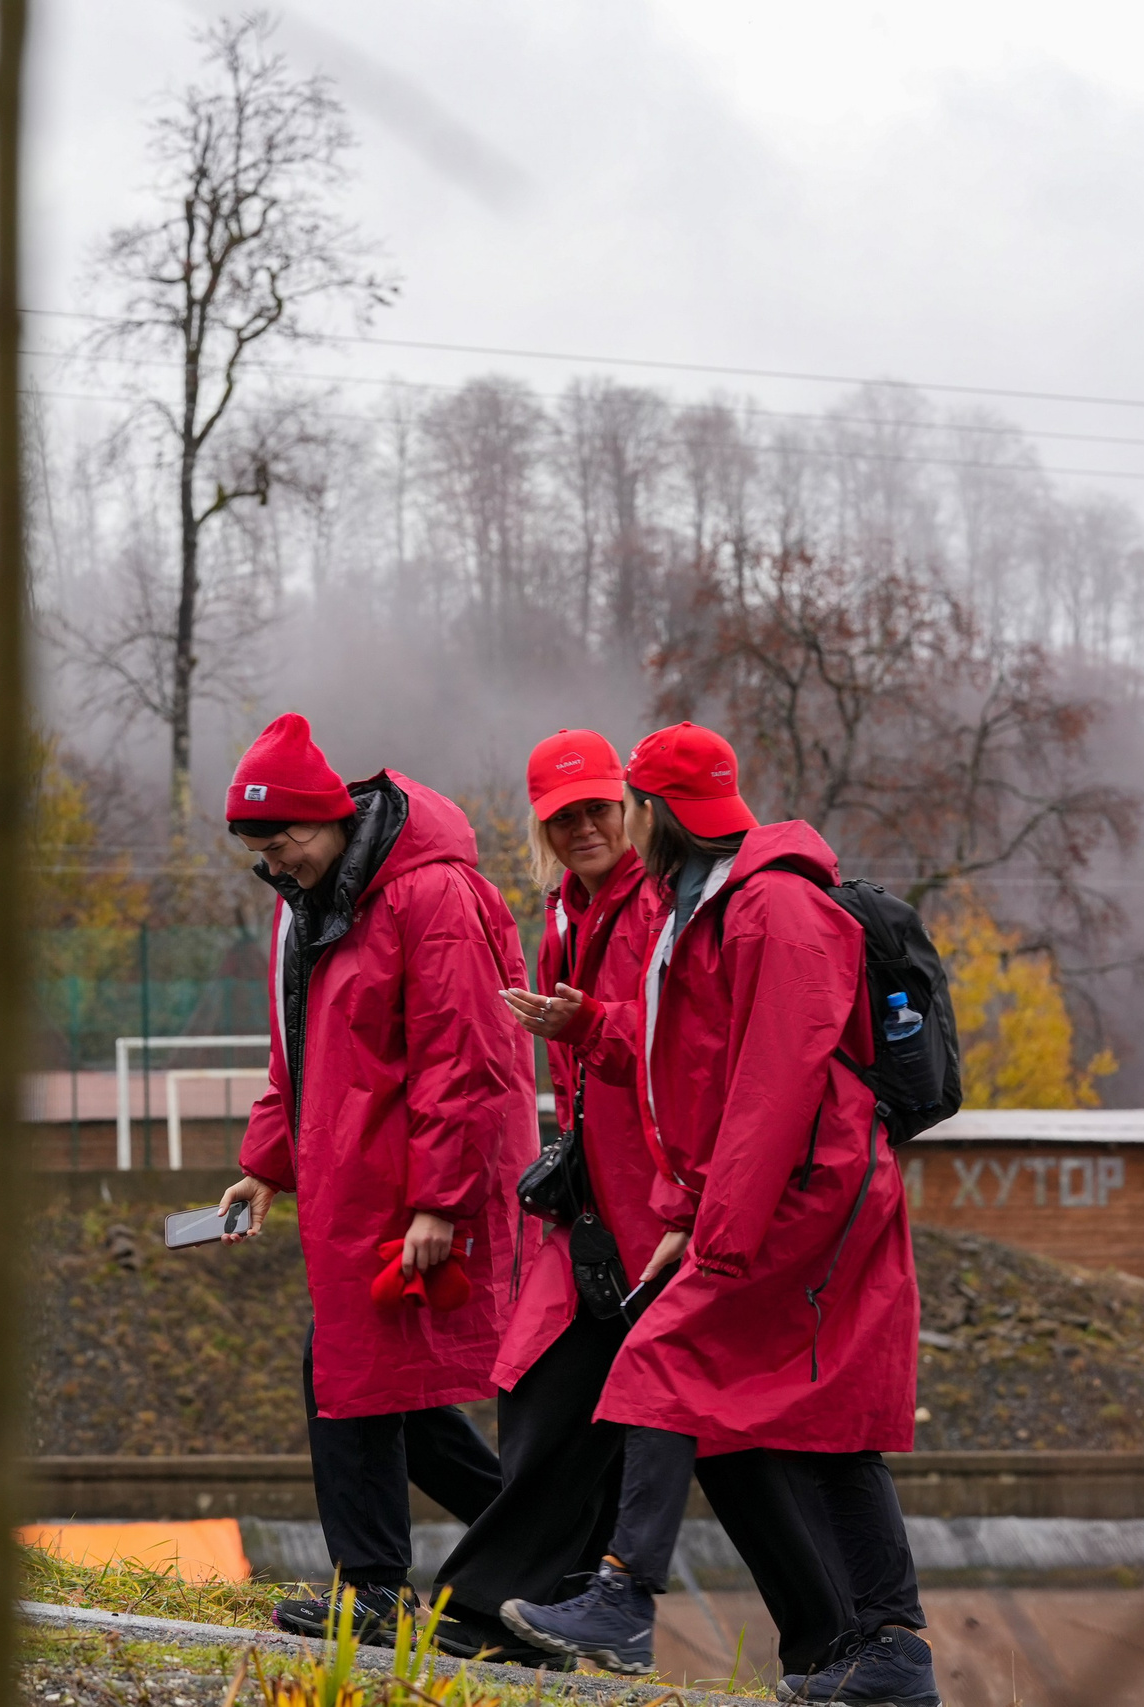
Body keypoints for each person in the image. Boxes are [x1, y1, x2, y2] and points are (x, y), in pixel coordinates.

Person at [500, 722, 938, 1707]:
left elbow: (770, 1086)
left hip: (802, 1196)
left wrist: (714, 1231)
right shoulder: (716, 905)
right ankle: (892, 1658)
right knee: (825, 1427)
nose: (612, 829)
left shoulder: (770, 909)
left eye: (623, 809)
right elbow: (699, 1076)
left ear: (652, 814)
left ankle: (622, 1600)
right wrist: (688, 1202)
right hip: (778, 1192)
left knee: (659, 1354)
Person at [433, 730, 848, 1676]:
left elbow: (694, 1052)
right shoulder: (565, 913)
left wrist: (681, 1203)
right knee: (561, 1397)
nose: (583, 826)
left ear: (631, 810)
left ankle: (838, 1638)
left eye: (597, 808)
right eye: (562, 814)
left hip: (662, 1210)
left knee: (712, 1434)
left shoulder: (665, 905)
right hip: (599, 1212)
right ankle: (506, 1609)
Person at [213, 711, 537, 1644]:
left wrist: (440, 1197)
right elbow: (298, 1050)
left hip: (409, 1183)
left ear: (331, 819)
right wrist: (263, 1165)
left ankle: (380, 1586)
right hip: (351, 1179)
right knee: (379, 1380)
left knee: (346, 1372)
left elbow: (463, 1057)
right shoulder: (308, 900)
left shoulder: (432, 895)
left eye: (285, 841)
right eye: (260, 848)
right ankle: (540, 1544)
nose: (277, 863)